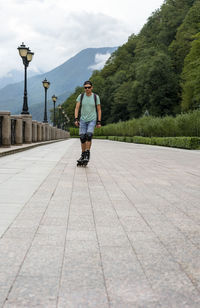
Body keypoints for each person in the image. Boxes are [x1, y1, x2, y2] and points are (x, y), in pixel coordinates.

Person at [74, 80, 101, 164]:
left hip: (92, 120)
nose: (87, 89)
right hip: (82, 120)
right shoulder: (81, 96)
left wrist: (99, 121)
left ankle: (87, 154)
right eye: (85, 88)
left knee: (89, 135)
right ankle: (83, 155)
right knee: (82, 137)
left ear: (92, 87)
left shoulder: (96, 97)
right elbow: (77, 108)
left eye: (89, 87)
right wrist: (76, 118)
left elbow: (99, 110)